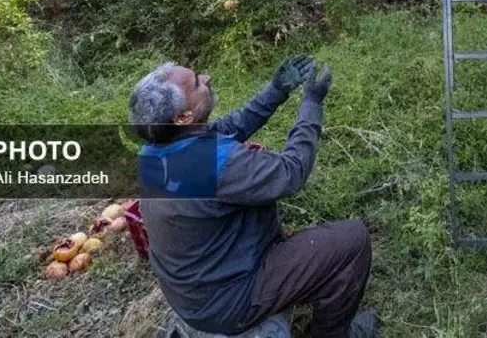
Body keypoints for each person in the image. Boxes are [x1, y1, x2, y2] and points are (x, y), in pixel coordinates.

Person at [129, 56, 377, 338]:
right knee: (352, 240)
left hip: (194, 294)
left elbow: (231, 127)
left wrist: (276, 91)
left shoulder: (155, 151)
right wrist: (311, 105)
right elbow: (290, 172)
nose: (207, 78)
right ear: (183, 117)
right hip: (228, 302)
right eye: (197, 82)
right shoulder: (212, 165)